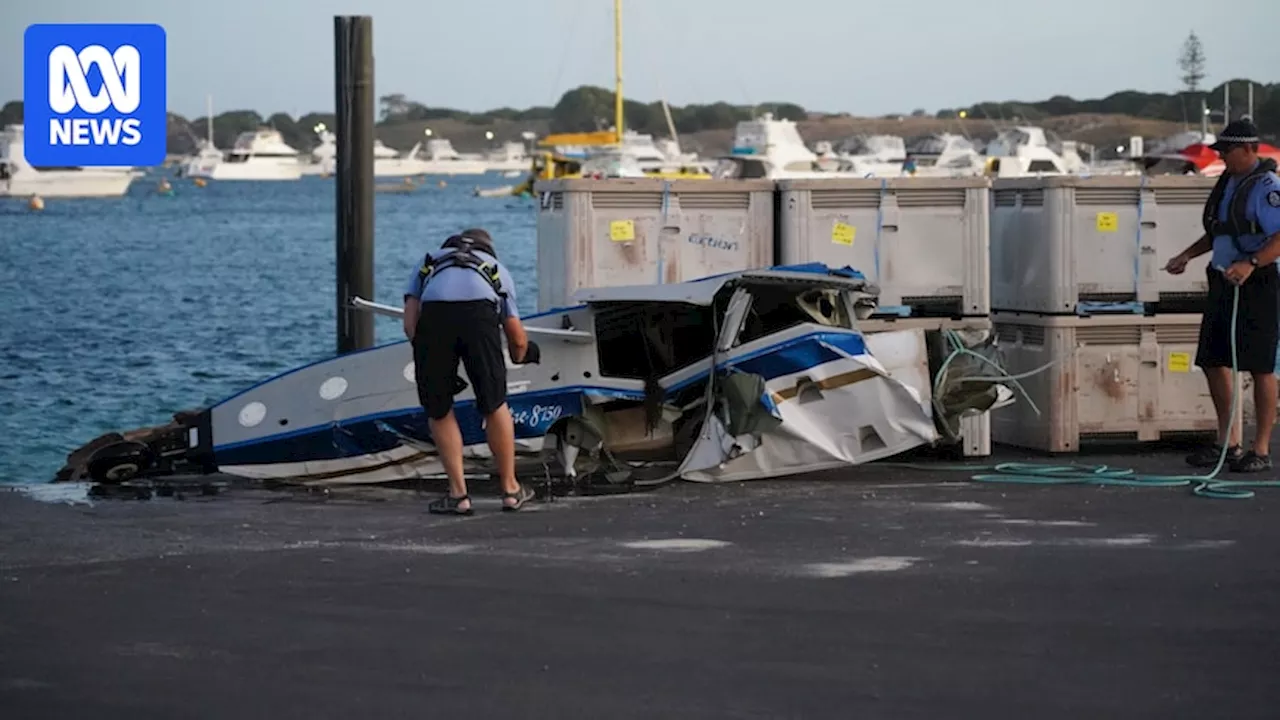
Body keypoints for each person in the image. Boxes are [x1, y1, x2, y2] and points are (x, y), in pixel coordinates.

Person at [1164, 119, 1280, 472]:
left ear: (1248, 149)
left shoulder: (1267, 187)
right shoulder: (1228, 183)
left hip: (1259, 282)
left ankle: (1260, 448)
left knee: (1260, 366)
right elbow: (1221, 231)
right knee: (1213, 360)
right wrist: (1186, 254)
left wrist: (1252, 263)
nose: (1223, 158)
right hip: (1223, 279)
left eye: (1228, 151)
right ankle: (1227, 441)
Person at [402, 228, 540, 513]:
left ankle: (458, 495)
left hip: (435, 318)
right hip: (480, 316)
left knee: (439, 408)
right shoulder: (495, 268)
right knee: (494, 403)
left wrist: (432, 358)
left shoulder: (428, 262)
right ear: (488, 248)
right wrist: (520, 356)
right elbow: (517, 336)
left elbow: (410, 325)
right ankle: (511, 490)